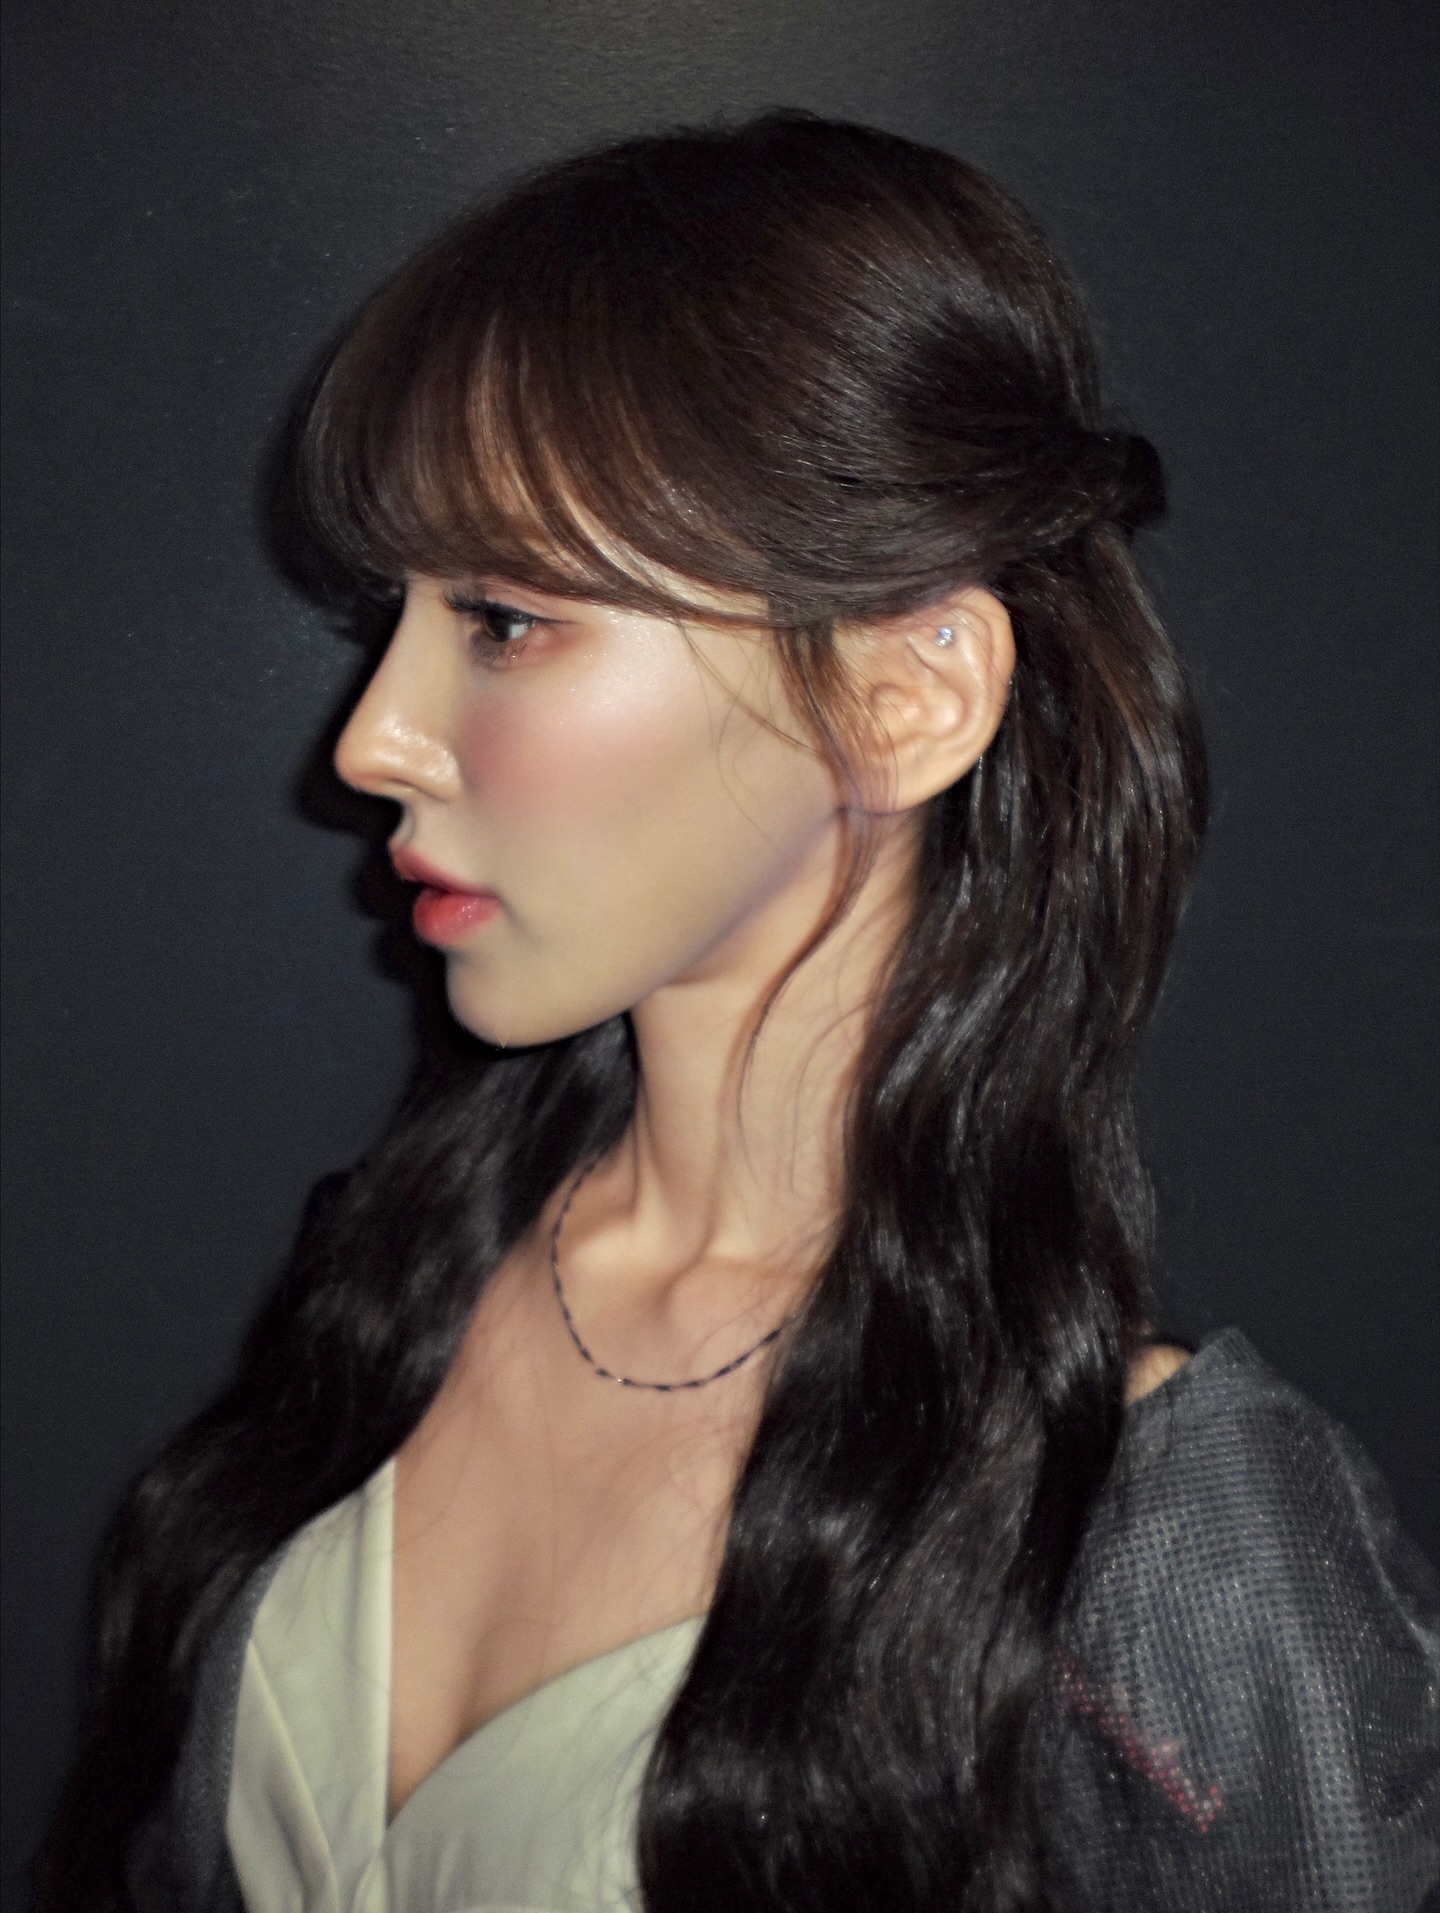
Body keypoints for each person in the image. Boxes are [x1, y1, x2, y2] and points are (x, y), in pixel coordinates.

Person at [39, 113, 1439, 1913]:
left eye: (504, 617)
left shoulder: (1161, 1548)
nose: (372, 739)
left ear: (902, 696)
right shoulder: (394, 1275)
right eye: (396, 612)